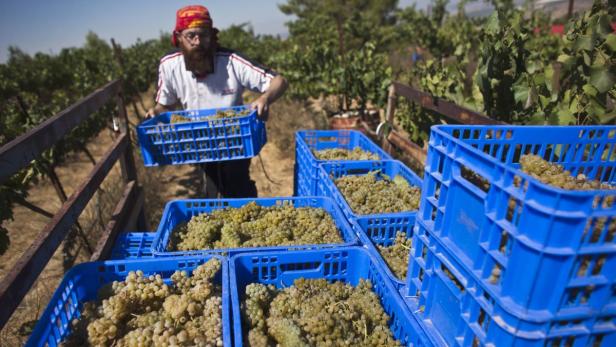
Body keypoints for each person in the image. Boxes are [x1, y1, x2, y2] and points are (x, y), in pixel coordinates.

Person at [146, 5, 288, 198]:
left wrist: (265, 98)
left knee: (236, 182)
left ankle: (246, 213)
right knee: (211, 188)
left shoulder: (231, 61)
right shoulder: (169, 65)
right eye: (191, 36)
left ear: (212, 37)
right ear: (178, 37)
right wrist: (157, 112)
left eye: (203, 35)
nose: (198, 41)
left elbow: (279, 81)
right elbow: (165, 104)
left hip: (235, 139)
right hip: (199, 141)